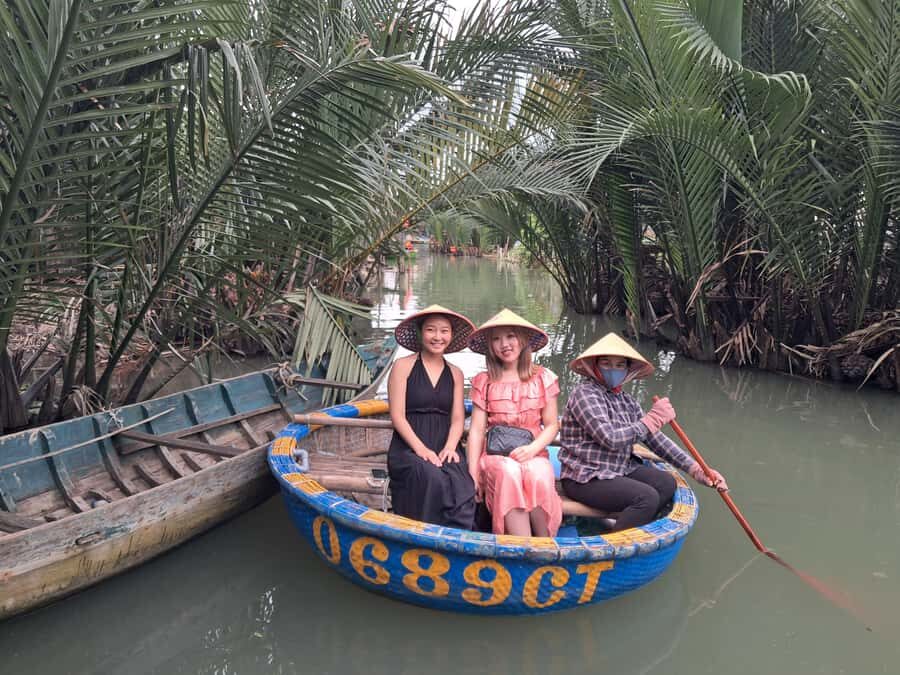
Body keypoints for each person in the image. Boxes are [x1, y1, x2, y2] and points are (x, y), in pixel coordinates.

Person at [559, 333, 727, 531]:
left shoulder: (626, 401)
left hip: (619, 468)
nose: (613, 369)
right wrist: (652, 419)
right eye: (606, 363)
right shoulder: (585, 393)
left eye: (620, 365)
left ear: (627, 370)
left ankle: (625, 522)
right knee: (646, 497)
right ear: (594, 366)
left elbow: (655, 439)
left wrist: (696, 469)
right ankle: (618, 541)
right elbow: (610, 438)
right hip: (585, 476)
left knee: (666, 483)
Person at [466, 309, 562, 537]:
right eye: (496, 339)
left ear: (523, 340)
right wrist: (472, 473)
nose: (504, 344)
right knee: (508, 472)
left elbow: (552, 425)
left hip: (533, 452)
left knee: (537, 474)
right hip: (495, 456)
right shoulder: (484, 381)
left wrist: (532, 449)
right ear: (490, 346)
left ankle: (545, 543)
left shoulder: (543, 377)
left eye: (510, 336)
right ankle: (524, 543)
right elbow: (477, 431)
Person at [387, 305, 477, 528]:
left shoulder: (456, 373)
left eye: (444, 331)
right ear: (420, 333)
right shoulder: (403, 366)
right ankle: (424, 533)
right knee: (430, 476)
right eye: (431, 330)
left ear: (451, 335)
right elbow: (397, 416)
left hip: (444, 443)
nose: (438, 337)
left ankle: (457, 536)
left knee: (461, 482)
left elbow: (457, 419)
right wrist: (421, 450)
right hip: (409, 445)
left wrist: (450, 447)